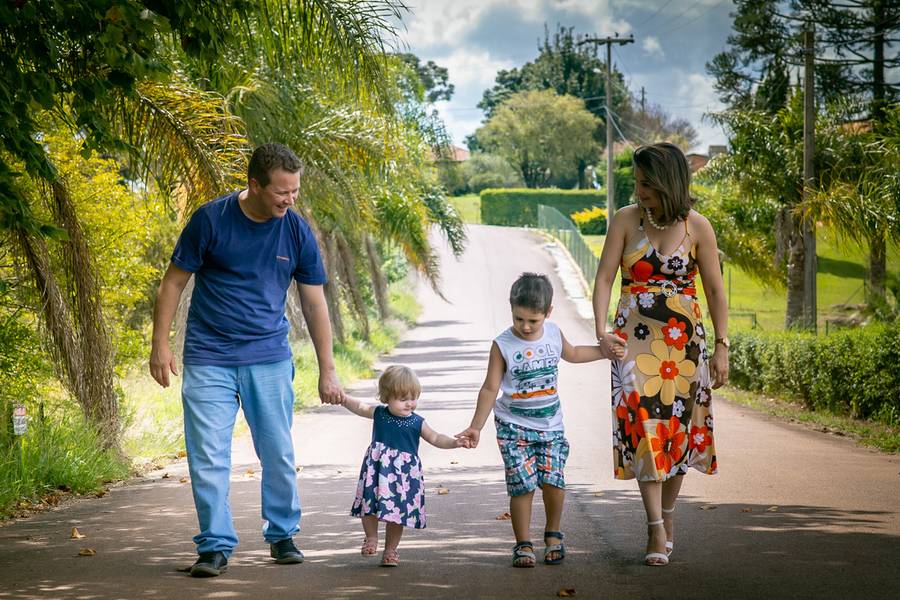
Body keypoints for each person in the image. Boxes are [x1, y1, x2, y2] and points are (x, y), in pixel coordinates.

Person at [149, 142, 344, 577]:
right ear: (254, 184)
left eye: (295, 192)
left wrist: (327, 369)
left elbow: (314, 304)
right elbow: (173, 284)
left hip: (269, 357)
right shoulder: (211, 219)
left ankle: (282, 535)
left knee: (276, 450)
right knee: (207, 455)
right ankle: (215, 545)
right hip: (208, 355)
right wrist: (160, 343)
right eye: (281, 192)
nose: (290, 200)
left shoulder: (295, 230)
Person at [592, 142, 728, 567]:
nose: (640, 191)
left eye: (647, 184)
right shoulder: (625, 221)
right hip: (632, 344)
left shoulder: (698, 227)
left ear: (668, 184)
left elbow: (715, 290)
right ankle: (654, 525)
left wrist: (722, 346)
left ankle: (668, 514)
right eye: (637, 183)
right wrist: (601, 331)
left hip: (685, 347)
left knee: (678, 434)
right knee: (646, 431)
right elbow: (604, 279)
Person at [456, 273, 625, 568]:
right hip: (513, 427)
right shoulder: (502, 344)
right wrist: (476, 426)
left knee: (554, 481)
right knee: (522, 485)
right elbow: (490, 388)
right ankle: (522, 543)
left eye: (533, 320)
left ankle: (553, 534)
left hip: (551, 426)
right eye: (519, 318)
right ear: (511, 309)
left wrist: (604, 352)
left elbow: (572, 354)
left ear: (548, 312)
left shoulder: (553, 333)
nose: (525, 326)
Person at [341, 365, 469, 567]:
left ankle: (391, 550)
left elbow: (435, 437)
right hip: (378, 470)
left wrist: (454, 442)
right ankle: (371, 537)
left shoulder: (418, 422)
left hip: (404, 475)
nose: (409, 403)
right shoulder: (380, 414)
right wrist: (344, 398)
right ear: (386, 397)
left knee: (397, 513)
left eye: (413, 398)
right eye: (402, 399)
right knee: (369, 505)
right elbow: (360, 407)